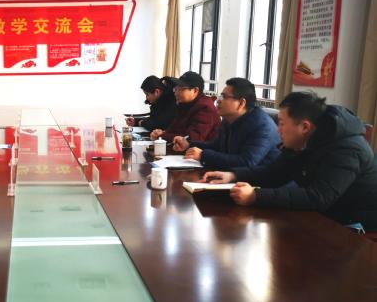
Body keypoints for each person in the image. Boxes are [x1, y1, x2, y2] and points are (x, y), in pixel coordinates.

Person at [204, 91, 377, 230]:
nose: (277, 130)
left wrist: (255, 196)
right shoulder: (303, 141)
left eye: (281, 123)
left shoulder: (347, 149)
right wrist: (233, 175)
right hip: (324, 216)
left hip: (355, 223)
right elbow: (273, 174)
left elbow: (318, 197)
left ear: (305, 127)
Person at [172, 77, 280, 169]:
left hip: (261, 184)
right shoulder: (229, 119)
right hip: (234, 177)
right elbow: (217, 146)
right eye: (221, 96)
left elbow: (246, 162)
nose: (219, 100)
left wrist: (203, 155)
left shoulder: (262, 126)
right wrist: (189, 144)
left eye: (225, 97)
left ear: (241, 103)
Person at [149, 71, 220, 142]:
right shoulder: (185, 104)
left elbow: (193, 139)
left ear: (195, 91)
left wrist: (162, 136)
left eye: (181, 89)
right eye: (176, 89)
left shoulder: (205, 108)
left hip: (198, 148)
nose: (176, 93)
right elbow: (174, 129)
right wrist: (163, 133)